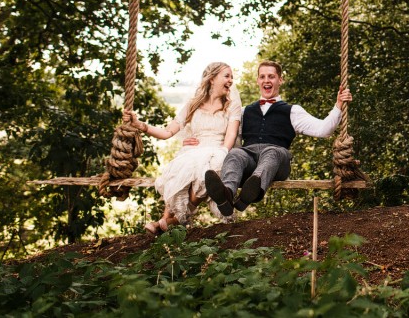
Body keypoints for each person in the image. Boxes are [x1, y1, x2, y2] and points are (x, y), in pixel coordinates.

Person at [204, 59, 351, 216]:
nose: (266, 80)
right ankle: (227, 195)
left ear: (280, 80)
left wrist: (338, 105)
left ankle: (254, 190)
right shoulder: (244, 111)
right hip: (250, 160)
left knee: (272, 152)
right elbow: (220, 132)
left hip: (277, 161)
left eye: (271, 76)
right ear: (257, 81)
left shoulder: (293, 111)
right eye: (262, 77)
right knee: (235, 154)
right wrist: (194, 140)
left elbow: (323, 130)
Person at [125, 62, 242, 234]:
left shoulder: (232, 105)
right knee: (180, 168)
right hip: (195, 149)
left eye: (232, 76)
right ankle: (168, 219)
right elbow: (167, 132)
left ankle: (168, 221)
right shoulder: (193, 105)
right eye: (227, 76)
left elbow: (231, 134)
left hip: (219, 149)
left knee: (205, 173)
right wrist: (140, 125)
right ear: (212, 79)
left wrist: (224, 152)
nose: (231, 80)